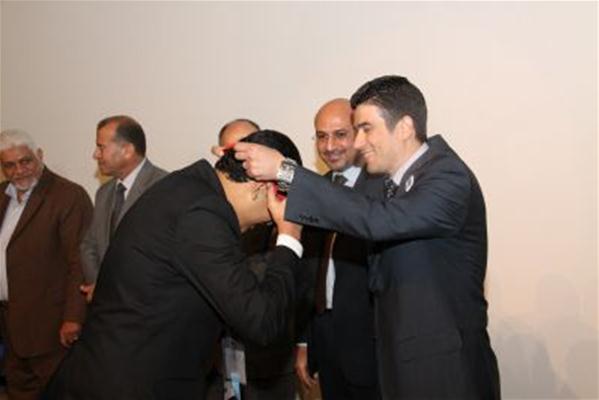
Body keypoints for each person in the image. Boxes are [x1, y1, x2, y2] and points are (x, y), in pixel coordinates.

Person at [235, 75, 501, 399]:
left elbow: (377, 220)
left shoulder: (446, 175)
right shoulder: (395, 183)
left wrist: (285, 170)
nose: (358, 143)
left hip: (443, 371)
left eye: (366, 129)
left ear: (404, 127)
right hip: (397, 363)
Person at [44, 130, 304, 400]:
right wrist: (289, 236)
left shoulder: (188, 188)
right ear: (263, 188)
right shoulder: (203, 213)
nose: (265, 224)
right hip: (128, 385)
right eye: (269, 219)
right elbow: (262, 322)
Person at [294, 99, 380, 400]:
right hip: (325, 344)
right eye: (321, 136)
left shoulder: (382, 191)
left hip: (372, 350)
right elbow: (307, 274)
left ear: (359, 134)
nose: (329, 146)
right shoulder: (314, 192)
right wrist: (304, 342)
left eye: (340, 134)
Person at [208, 118, 299, 400]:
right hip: (218, 354)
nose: (245, 160)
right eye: (234, 152)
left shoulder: (282, 211)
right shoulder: (206, 220)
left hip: (268, 360)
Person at [0, 129, 92, 399]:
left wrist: (73, 318)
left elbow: (79, 262)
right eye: (9, 165)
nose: (19, 171)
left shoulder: (68, 196)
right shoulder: (2, 196)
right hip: (10, 325)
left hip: (53, 328)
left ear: (39, 155)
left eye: (25, 161)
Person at [80, 115, 167, 301]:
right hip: (109, 307)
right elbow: (89, 246)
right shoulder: (104, 193)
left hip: (148, 304)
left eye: (101, 147)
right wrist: (101, 287)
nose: (95, 154)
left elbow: (162, 254)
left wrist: (118, 291)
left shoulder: (164, 187)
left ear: (127, 150)